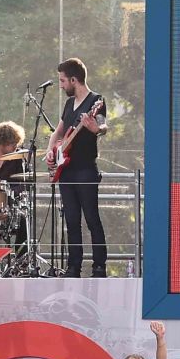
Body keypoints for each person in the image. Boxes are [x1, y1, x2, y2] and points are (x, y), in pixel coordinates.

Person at [45, 57, 107, 277]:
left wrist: (96, 129)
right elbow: (58, 132)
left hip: (85, 169)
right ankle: (74, 266)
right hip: (66, 171)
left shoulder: (96, 100)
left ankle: (99, 265)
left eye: (63, 81)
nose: (61, 85)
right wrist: (50, 151)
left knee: (91, 218)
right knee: (71, 220)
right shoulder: (69, 104)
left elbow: (103, 125)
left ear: (74, 80)